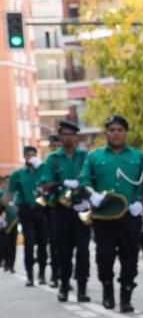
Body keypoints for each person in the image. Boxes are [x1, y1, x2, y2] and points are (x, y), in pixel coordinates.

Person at [82, 115, 143, 312]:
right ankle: (107, 289)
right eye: (111, 129)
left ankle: (126, 296)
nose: (116, 133)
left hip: (129, 215)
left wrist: (141, 204)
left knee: (130, 258)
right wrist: (93, 196)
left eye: (120, 129)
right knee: (104, 257)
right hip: (103, 216)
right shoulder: (93, 156)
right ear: (105, 133)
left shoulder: (139, 156)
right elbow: (84, 181)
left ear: (125, 132)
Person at [43, 120, 91, 302]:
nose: (68, 137)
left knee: (83, 251)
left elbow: (92, 179)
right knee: (63, 250)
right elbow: (45, 184)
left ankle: (82, 288)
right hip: (61, 210)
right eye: (64, 134)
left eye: (71, 134)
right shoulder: (53, 159)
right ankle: (63, 285)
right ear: (60, 136)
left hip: (82, 208)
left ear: (76, 137)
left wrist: (86, 198)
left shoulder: (84, 157)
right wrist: (61, 184)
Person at [1, 146, 50, 287]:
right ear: (24, 157)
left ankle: (41, 273)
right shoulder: (18, 173)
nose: (31, 157)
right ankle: (30, 275)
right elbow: (9, 192)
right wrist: (3, 204)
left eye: (33, 154)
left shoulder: (43, 169)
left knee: (42, 243)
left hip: (42, 209)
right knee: (29, 243)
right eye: (28, 154)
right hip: (26, 210)